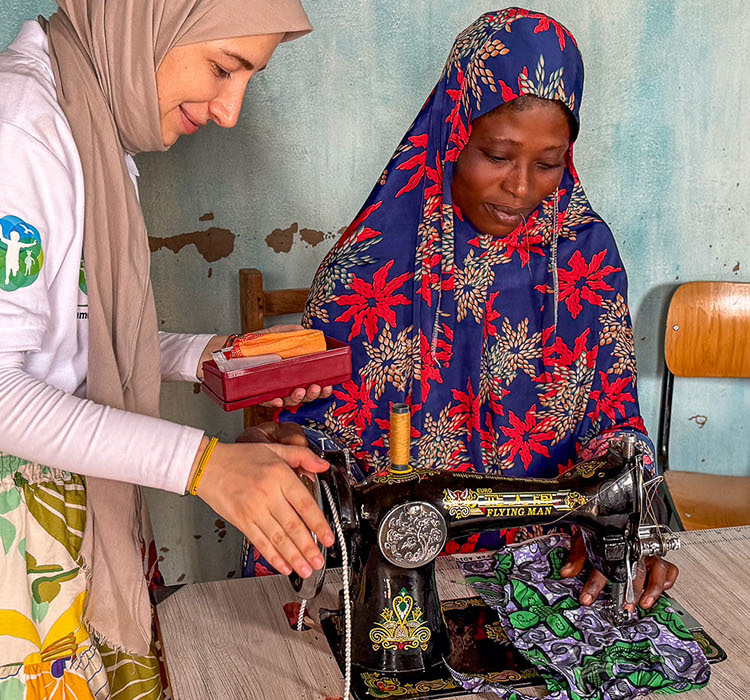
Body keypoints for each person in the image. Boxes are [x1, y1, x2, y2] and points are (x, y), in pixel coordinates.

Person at [0, 2, 335, 698]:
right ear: (147, 20)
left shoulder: (81, 130)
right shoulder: (11, 131)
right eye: (225, 68)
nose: (229, 109)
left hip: (49, 505)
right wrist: (206, 467)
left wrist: (207, 355)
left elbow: (61, 336)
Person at [241, 7, 678, 612]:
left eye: (549, 163)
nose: (522, 187)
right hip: (395, 569)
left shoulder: (584, 255)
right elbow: (317, 438)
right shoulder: (369, 265)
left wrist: (637, 533)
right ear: (453, 133)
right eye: (497, 155)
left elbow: (613, 417)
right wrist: (290, 442)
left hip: (546, 562)